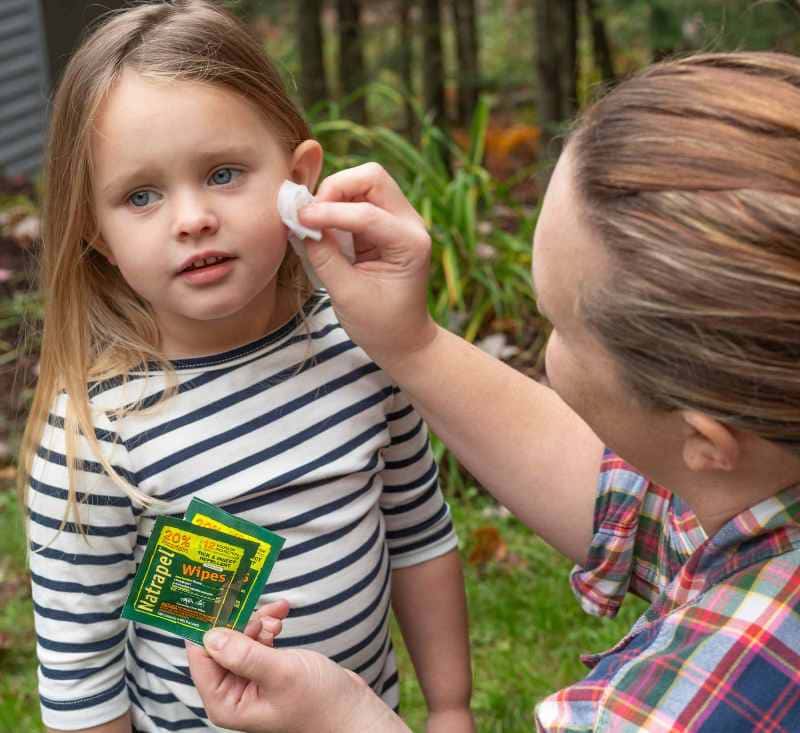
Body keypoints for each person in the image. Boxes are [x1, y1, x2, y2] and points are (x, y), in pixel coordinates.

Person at [186, 51, 800, 732]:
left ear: (707, 441)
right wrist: (410, 341)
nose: (546, 343)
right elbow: (633, 498)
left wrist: (346, 718)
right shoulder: (769, 450)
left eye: (557, 325)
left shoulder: (686, 710)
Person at [18, 2, 475, 732]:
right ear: (95, 233)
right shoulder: (100, 434)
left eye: (223, 173)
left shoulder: (359, 346)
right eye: (141, 195)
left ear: (298, 178)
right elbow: (81, 667)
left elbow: (418, 530)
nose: (191, 216)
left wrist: (450, 708)